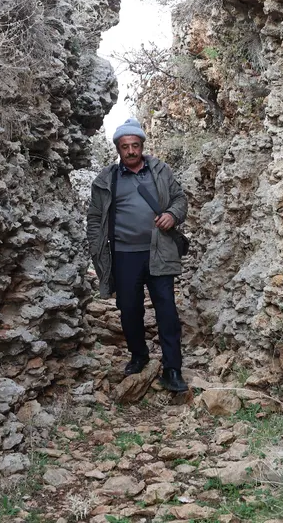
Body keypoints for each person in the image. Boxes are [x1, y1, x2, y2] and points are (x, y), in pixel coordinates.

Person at [86, 118, 189, 392]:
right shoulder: (107, 179)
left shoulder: (160, 170)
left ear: (142, 145)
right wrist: (98, 251)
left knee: (166, 310)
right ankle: (138, 355)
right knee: (129, 309)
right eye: (124, 147)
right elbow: (95, 217)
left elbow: (180, 199)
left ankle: (173, 368)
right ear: (118, 150)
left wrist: (172, 215)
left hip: (160, 252)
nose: (130, 151)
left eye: (135, 146)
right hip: (124, 255)